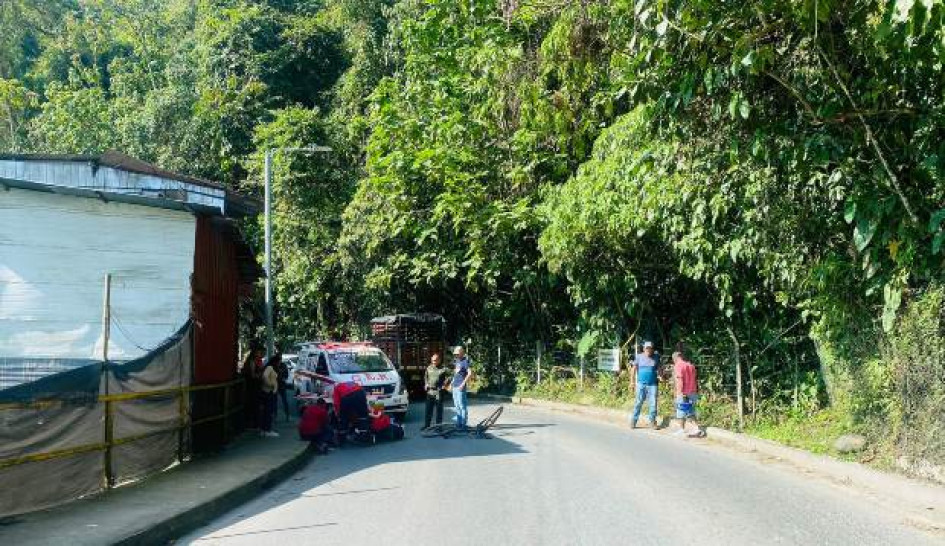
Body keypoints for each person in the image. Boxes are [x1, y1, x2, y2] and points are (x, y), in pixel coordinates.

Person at [673, 351, 705, 437]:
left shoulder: (678, 365)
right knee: (691, 412)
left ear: (675, 358)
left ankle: (681, 429)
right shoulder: (691, 365)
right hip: (693, 392)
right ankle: (696, 428)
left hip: (684, 392)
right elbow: (695, 379)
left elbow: (680, 379)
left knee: (681, 411)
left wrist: (679, 393)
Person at [629, 341, 660, 429]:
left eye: (650, 348)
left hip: (653, 385)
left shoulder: (656, 357)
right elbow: (633, 369)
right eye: (647, 348)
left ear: (652, 349)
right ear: (644, 349)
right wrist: (632, 382)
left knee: (653, 404)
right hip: (641, 384)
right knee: (638, 402)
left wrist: (661, 375)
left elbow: (659, 368)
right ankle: (633, 421)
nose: (648, 350)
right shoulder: (639, 357)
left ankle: (652, 422)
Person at [423, 353, 449, 429]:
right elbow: (426, 377)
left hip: (438, 391)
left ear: (439, 360)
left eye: (435, 360)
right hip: (430, 391)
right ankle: (427, 426)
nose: (434, 362)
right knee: (428, 410)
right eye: (432, 360)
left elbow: (450, 377)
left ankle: (438, 427)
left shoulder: (443, 369)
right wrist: (426, 384)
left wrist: (445, 385)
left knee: (439, 411)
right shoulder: (429, 368)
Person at [450, 346, 472, 429]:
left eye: (457, 354)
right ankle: (458, 423)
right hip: (454, 386)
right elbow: (456, 374)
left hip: (460, 386)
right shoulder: (457, 361)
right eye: (455, 354)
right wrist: (451, 383)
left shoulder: (466, 361)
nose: (456, 355)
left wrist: (463, 384)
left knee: (462, 406)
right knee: (456, 406)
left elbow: (470, 373)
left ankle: (463, 424)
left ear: (462, 353)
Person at [260, 352, 281, 437]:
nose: (280, 363)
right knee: (268, 411)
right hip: (269, 392)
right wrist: (271, 385)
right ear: (275, 361)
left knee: (267, 411)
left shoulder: (271, 368)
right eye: (279, 361)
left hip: (269, 392)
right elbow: (264, 376)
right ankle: (267, 430)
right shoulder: (270, 367)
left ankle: (264, 430)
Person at [276, 355, 291, 421]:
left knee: (284, 401)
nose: (279, 361)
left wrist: (283, 378)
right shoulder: (274, 366)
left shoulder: (283, 365)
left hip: (281, 385)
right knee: (275, 401)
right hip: (276, 385)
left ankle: (287, 415)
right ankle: (275, 416)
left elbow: (286, 375)